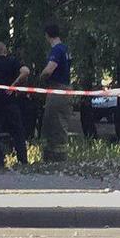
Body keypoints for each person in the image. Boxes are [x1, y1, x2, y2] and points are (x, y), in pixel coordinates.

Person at [38, 24, 72, 162]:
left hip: (57, 89)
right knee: (58, 121)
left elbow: (49, 70)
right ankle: (55, 156)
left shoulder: (57, 50)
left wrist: (41, 77)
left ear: (47, 35)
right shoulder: (65, 48)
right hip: (64, 89)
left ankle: (56, 157)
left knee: (54, 122)